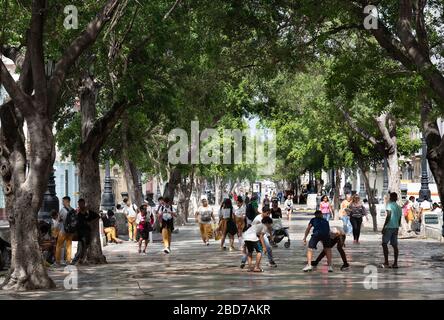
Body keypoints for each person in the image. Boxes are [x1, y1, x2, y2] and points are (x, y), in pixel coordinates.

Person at [71, 199, 100, 265]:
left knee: (84, 246)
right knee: (81, 247)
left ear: (84, 204)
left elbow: (98, 216)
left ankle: (81, 259)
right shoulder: (77, 212)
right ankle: (80, 259)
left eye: (81, 204)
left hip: (86, 232)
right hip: (79, 232)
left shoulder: (88, 212)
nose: (80, 205)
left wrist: (90, 222)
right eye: (79, 204)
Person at [381, 192, 402, 269]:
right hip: (395, 227)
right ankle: (395, 263)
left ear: (391, 198)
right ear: (396, 198)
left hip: (389, 226)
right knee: (395, 245)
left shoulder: (389, 205)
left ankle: (386, 261)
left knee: (384, 243)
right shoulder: (399, 207)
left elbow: (388, 215)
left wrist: (384, 226)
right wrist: (397, 226)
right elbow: (399, 219)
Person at [55, 196, 74, 266]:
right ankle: (68, 261)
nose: (62, 203)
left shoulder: (62, 210)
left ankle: (57, 261)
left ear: (67, 201)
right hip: (71, 231)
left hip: (63, 231)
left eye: (63, 201)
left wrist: (56, 230)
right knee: (69, 246)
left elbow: (58, 220)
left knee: (59, 246)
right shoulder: (73, 210)